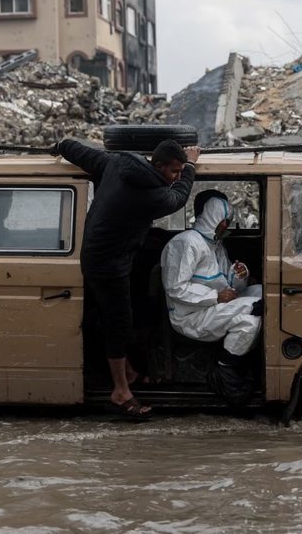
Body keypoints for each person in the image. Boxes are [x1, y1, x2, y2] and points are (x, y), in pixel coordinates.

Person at [54, 138, 200, 420]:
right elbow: (179, 197)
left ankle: (128, 370)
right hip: (110, 263)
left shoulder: (118, 161)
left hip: (94, 253)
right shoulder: (152, 194)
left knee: (108, 314)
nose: (178, 176)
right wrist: (192, 165)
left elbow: (82, 153)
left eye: (181, 171)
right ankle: (120, 390)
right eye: (175, 171)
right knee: (119, 321)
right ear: (157, 166)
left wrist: (61, 144)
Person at [160, 193, 263, 403]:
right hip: (190, 316)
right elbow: (176, 288)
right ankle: (225, 369)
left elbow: (228, 285)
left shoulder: (215, 245)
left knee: (264, 293)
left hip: (211, 306)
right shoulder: (186, 243)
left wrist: (239, 275)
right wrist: (215, 296)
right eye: (222, 219)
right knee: (253, 314)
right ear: (210, 218)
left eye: (228, 220)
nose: (226, 224)